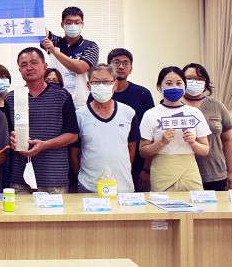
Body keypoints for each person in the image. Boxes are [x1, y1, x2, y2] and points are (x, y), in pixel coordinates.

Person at [4, 47, 79, 193]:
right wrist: (11, 138)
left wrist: (45, 145)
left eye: (34, 62)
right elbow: (7, 133)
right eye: (24, 65)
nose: (29, 67)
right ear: (19, 70)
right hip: (20, 178)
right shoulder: (11, 98)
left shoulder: (62, 96)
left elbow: (72, 135)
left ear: (44, 66)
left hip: (54, 178)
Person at [139, 66, 211, 192]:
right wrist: (162, 142)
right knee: (162, 204)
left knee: (193, 204)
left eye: (178, 83)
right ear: (160, 86)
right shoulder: (151, 114)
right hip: (162, 172)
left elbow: (205, 150)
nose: (174, 87)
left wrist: (193, 143)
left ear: (184, 86)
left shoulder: (194, 113)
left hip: (189, 171)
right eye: (168, 83)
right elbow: (143, 152)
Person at [70, 63, 140, 193]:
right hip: (89, 188)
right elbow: (74, 154)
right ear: (89, 85)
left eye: (107, 82)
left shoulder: (128, 113)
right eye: (96, 82)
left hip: (123, 187)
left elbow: (131, 149)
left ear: (115, 84)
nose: (101, 86)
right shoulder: (79, 115)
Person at [103, 48, 155, 192]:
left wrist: (146, 169)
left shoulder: (143, 94)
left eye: (126, 63)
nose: (121, 67)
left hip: (137, 163)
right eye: (116, 62)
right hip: (106, 161)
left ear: (131, 69)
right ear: (108, 67)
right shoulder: (98, 94)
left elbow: (151, 133)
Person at [183, 63, 232, 191]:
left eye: (199, 79)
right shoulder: (173, 106)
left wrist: (230, 171)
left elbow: (228, 140)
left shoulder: (217, 105)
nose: (194, 82)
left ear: (205, 82)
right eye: (189, 78)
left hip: (215, 174)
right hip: (184, 174)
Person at [41, 6, 99, 108]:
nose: (73, 25)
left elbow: (80, 68)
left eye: (77, 22)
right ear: (62, 24)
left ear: (82, 25)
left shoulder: (91, 46)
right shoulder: (56, 42)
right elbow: (38, 28)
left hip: (81, 103)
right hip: (57, 102)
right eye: (68, 22)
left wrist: (54, 51)